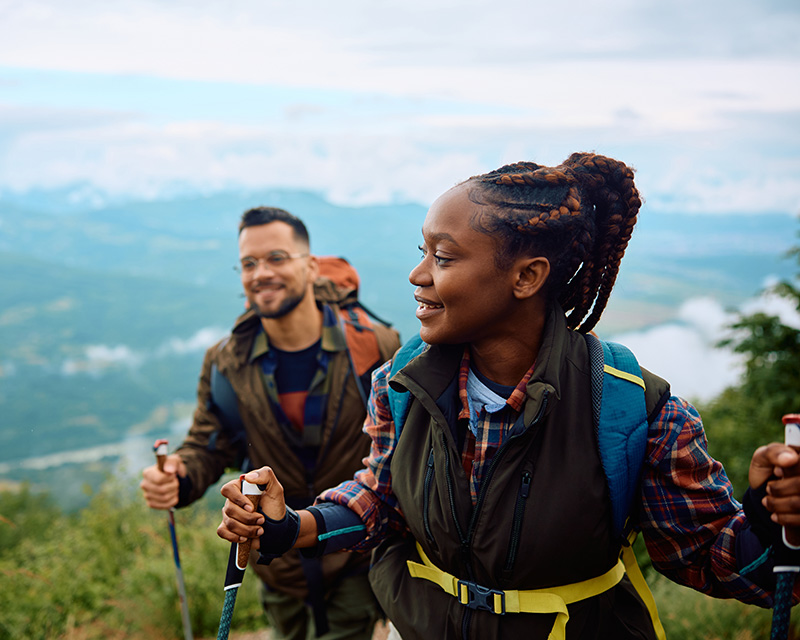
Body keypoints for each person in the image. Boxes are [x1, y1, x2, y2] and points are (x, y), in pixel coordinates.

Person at [216, 155, 800, 639]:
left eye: (442, 257)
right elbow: (383, 495)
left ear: (527, 277)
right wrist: (292, 526)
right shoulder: (401, 384)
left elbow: (716, 559)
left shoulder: (632, 410)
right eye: (421, 252)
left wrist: (776, 523)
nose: (418, 275)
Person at [141, 206, 401, 640]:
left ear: (311, 266)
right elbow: (210, 445)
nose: (261, 273)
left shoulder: (374, 345)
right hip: (275, 565)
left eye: (276, 258)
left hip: (353, 555)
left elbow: (399, 454)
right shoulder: (227, 363)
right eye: (249, 263)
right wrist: (180, 477)